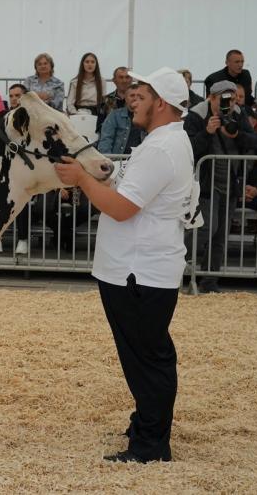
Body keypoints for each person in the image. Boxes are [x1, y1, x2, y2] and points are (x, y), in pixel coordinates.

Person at [55, 66, 194, 463]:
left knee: (148, 358)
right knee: (144, 355)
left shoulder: (161, 149)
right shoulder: (164, 141)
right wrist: (105, 173)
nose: (133, 99)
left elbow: (121, 208)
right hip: (139, 267)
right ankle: (146, 424)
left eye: (142, 94)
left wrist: (82, 180)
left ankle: (150, 445)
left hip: (139, 270)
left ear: (160, 103)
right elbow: (128, 189)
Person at [185, 80, 257, 293]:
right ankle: (174, 264)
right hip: (205, 183)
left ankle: (209, 282)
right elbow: (188, 149)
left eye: (233, 99)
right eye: (225, 99)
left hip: (231, 182)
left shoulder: (239, 114)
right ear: (211, 97)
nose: (230, 104)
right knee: (206, 228)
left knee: (220, 235)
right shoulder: (196, 115)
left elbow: (255, 142)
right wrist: (207, 132)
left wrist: (237, 135)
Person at [97, 85, 146, 155]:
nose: (135, 98)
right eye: (132, 95)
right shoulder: (114, 115)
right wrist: (108, 159)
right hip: (118, 159)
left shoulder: (147, 116)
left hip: (140, 158)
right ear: (126, 98)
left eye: (139, 96)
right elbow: (106, 140)